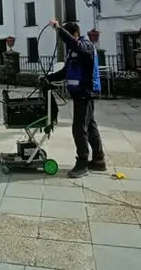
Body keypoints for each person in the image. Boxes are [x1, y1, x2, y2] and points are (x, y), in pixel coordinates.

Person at [42, 19, 104, 178]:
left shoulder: (85, 46)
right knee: (90, 126)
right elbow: (65, 72)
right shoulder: (73, 51)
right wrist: (48, 77)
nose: (66, 43)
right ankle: (98, 160)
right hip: (78, 94)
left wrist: (58, 29)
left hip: (85, 93)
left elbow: (75, 44)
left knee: (79, 128)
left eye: (69, 37)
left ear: (75, 34)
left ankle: (82, 163)